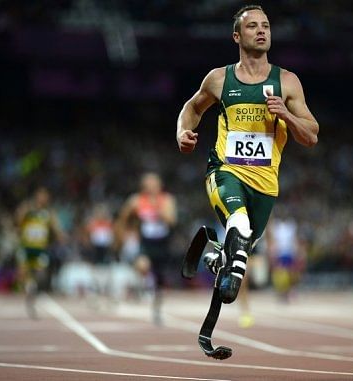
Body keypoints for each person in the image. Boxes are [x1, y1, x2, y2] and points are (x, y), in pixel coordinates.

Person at [176, 5, 319, 306]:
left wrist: (287, 116)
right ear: (237, 36)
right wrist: (182, 133)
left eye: (266, 25)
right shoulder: (219, 79)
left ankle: (219, 259)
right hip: (225, 171)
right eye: (253, 26)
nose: (262, 30)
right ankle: (228, 265)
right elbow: (192, 108)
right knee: (239, 227)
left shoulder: (287, 82)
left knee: (243, 247)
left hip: (265, 185)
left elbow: (311, 136)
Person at [117, 172, 177, 325]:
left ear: (159, 186)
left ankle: (156, 310)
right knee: (142, 265)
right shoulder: (136, 200)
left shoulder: (167, 200)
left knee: (159, 281)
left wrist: (158, 209)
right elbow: (123, 218)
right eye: (148, 185)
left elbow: (172, 221)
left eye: (154, 184)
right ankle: (140, 289)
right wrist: (124, 233)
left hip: (162, 244)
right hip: (146, 243)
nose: (151, 188)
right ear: (143, 186)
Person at [15, 186, 65, 318]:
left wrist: (59, 235)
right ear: (37, 196)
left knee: (41, 275)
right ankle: (28, 290)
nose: (44, 198)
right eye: (42, 195)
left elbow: (56, 227)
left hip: (40, 249)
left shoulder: (48, 213)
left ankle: (32, 290)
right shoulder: (27, 210)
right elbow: (18, 223)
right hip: (27, 248)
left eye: (46, 196)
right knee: (23, 274)